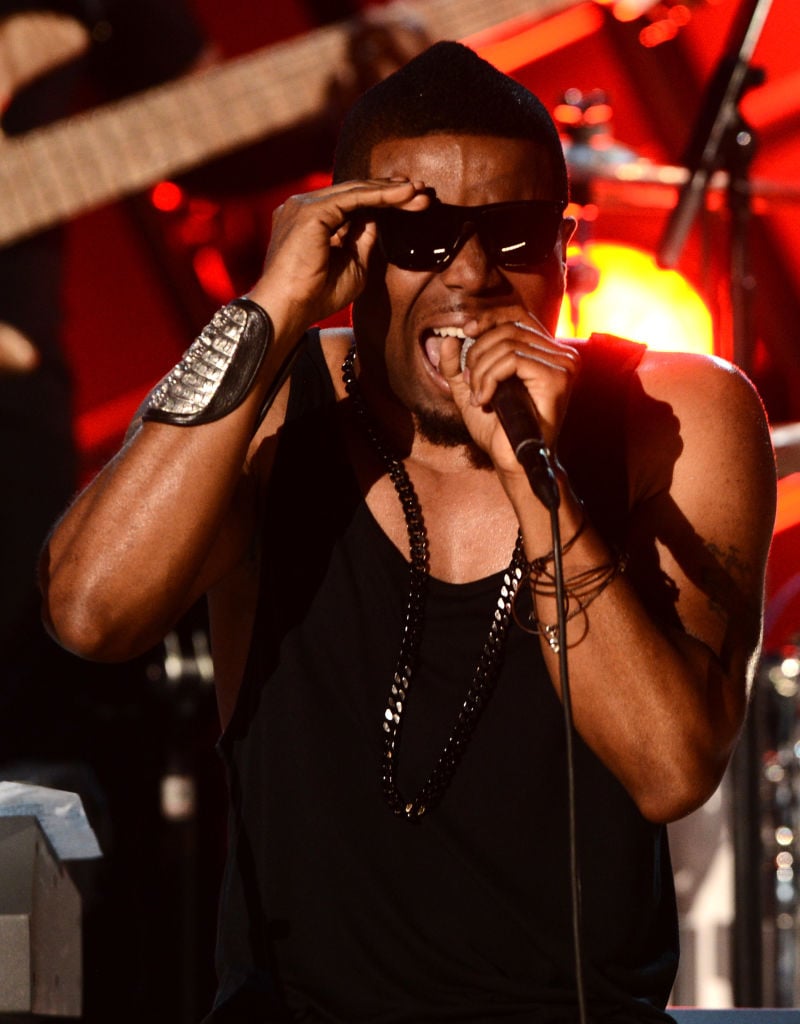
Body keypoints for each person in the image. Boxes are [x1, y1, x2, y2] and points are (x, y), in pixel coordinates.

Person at [40, 41, 777, 1023]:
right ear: (354, 249)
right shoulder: (270, 411)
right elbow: (88, 611)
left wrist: (530, 471)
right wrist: (271, 307)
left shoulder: (670, 415)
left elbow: (670, 768)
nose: (469, 275)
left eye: (510, 236)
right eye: (421, 240)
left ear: (563, 244)